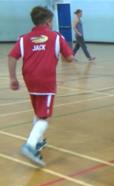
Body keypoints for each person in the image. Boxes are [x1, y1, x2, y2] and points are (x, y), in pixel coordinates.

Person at [8, 6, 74, 167]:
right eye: (51, 21)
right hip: (46, 80)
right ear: (48, 22)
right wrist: (66, 56)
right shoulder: (56, 37)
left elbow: (12, 56)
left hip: (30, 79)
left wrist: (12, 78)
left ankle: (37, 141)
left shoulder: (23, 38)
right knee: (44, 118)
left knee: (38, 111)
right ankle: (30, 146)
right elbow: (70, 58)